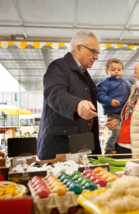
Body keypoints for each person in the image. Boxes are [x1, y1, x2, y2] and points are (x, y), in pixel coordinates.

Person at [37, 30, 102, 160]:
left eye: (97, 53)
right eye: (93, 51)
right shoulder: (58, 67)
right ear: (79, 48)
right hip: (60, 145)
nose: (96, 57)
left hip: (81, 144)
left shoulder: (83, 73)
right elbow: (54, 93)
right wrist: (77, 105)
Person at [97, 58, 131, 154]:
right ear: (106, 71)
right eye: (113, 70)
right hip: (113, 112)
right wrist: (110, 101)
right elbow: (100, 95)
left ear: (122, 71)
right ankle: (109, 149)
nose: (116, 71)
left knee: (123, 132)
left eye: (119, 70)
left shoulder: (126, 82)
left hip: (125, 113)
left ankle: (117, 148)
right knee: (116, 131)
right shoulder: (104, 83)